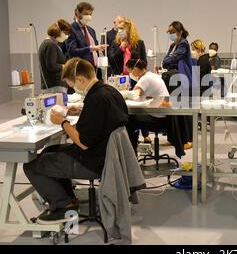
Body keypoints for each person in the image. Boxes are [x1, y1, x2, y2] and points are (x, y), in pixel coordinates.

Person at [23, 58, 128, 224]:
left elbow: (83, 143)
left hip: (93, 163)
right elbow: (100, 120)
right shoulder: (109, 92)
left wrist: (62, 123)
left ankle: (62, 205)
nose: (72, 88)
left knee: (32, 166)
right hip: (107, 156)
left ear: (80, 79)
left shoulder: (95, 100)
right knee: (50, 151)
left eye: (71, 84)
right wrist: (80, 111)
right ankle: (68, 200)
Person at [162, 21, 195, 149]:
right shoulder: (172, 46)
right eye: (169, 33)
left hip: (182, 79)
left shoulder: (183, 43)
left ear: (180, 32)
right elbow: (165, 61)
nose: (170, 34)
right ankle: (172, 138)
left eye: (172, 32)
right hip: (172, 79)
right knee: (173, 109)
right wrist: (167, 61)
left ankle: (189, 140)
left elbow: (172, 59)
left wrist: (167, 60)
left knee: (183, 109)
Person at [125, 59, 170, 149]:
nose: (131, 74)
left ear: (135, 69)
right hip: (165, 117)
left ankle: (132, 149)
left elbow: (132, 95)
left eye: (130, 72)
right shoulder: (152, 75)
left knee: (128, 119)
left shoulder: (145, 79)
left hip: (157, 120)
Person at [66, 2, 107, 69]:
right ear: (78, 14)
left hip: (94, 68)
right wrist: (91, 48)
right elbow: (72, 51)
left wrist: (100, 48)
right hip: (80, 68)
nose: (88, 16)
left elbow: (96, 48)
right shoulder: (71, 29)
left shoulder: (91, 30)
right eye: (86, 14)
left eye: (90, 14)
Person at [39, 20, 72, 94]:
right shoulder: (51, 45)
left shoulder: (46, 43)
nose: (67, 36)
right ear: (58, 31)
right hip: (55, 86)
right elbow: (52, 66)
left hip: (51, 86)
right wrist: (66, 66)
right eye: (66, 33)